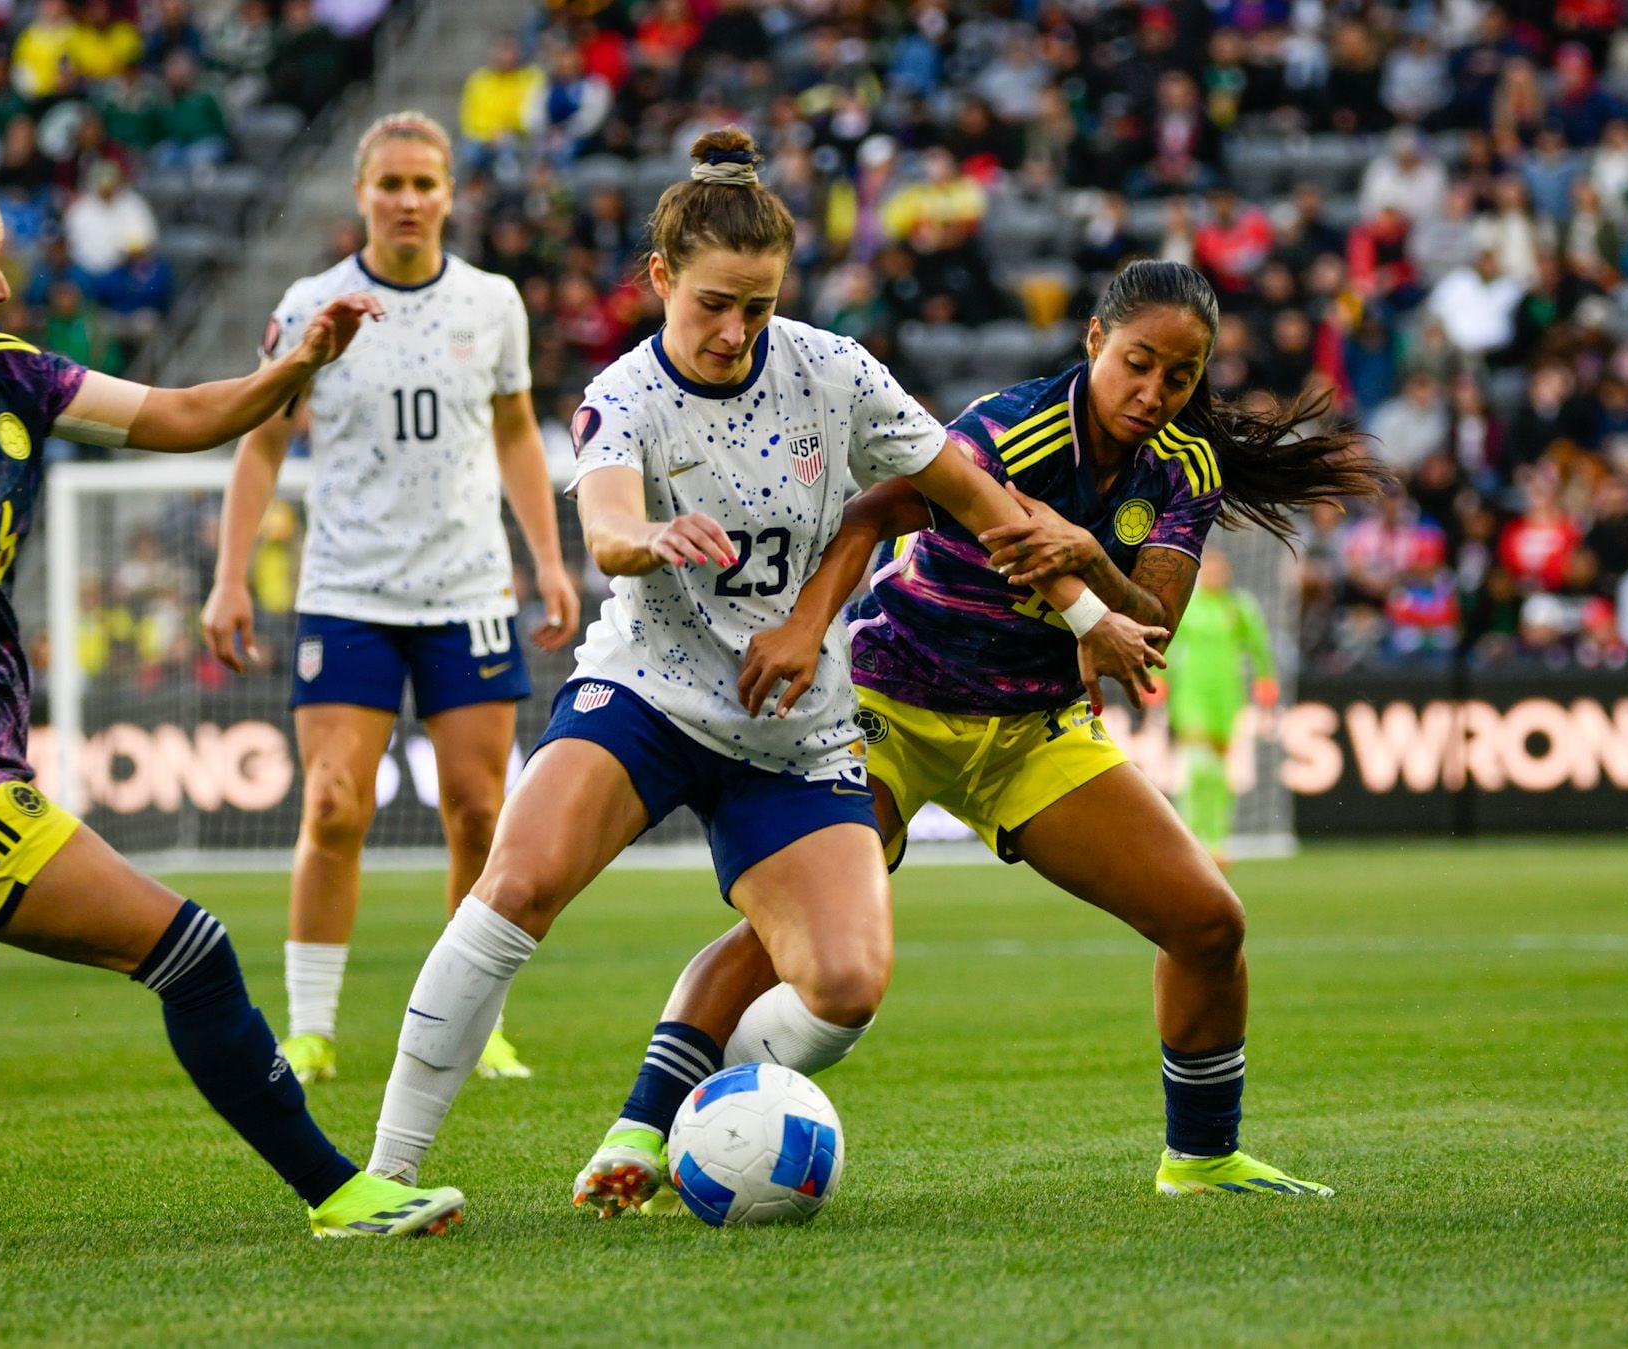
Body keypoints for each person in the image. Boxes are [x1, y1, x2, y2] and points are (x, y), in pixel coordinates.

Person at [356, 130, 1169, 1231]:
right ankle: (383, 1176)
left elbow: (979, 502)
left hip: (792, 728)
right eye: (711, 306)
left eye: (757, 305)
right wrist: (648, 538)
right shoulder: (622, 394)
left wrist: (1088, 611)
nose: (735, 331)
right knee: (518, 884)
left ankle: (676, 1128)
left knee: (844, 988)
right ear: (658, 282)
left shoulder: (834, 372)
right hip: (646, 690)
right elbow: (600, 527)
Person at [0, 160, 464, 1238]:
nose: (1, 288)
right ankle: (340, 1194)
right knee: (190, 950)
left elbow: (183, 414)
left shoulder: (2, 375)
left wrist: (297, 365)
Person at [577, 260, 1385, 1214]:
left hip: (1030, 732)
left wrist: (1086, 553)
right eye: (1138, 363)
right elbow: (879, 509)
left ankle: (1202, 1158)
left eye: (1181, 374)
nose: (1154, 392)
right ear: (1093, 342)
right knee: (788, 927)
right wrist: (803, 627)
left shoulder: (1185, 466)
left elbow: (1150, 623)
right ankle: (635, 1128)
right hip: (889, 709)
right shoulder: (1010, 428)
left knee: (1209, 923)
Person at [200, 111, 580, 1089]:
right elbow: (263, 440)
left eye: (424, 184)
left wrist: (547, 559)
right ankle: (312, 1030)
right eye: (390, 184)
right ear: (360, 193)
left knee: (476, 811)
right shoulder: (311, 304)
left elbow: (512, 437)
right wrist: (229, 575)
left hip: (465, 588)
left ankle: (469, 1027)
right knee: (332, 806)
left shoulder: (491, 304)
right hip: (348, 589)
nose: (407, 200)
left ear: (449, 194)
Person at [1165, 546, 1279, 866]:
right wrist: (1155, 677)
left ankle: (1216, 841)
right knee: (1199, 768)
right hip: (1191, 694)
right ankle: (1190, 838)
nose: (1214, 574)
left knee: (1218, 775)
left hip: (1227, 697)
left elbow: (1258, 647)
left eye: (1218, 569)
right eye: (1208, 570)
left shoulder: (1238, 608)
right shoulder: (1188, 607)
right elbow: (1165, 640)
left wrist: (1266, 679)